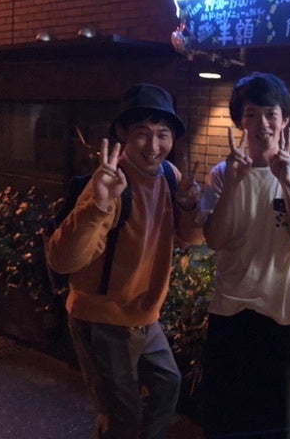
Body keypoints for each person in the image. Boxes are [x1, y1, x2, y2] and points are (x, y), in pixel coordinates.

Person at [46, 83, 202, 439]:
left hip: (143, 317)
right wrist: (99, 204)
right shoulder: (110, 182)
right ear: (122, 135)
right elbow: (62, 259)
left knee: (167, 385)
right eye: (142, 133)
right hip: (102, 318)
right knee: (122, 418)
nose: (153, 145)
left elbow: (191, 238)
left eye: (162, 134)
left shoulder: (169, 175)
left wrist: (189, 205)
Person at [196, 72, 290, 439]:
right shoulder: (221, 174)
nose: (262, 124)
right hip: (230, 311)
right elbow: (216, 240)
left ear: (285, 120)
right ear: (240, 121)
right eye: (251, 114)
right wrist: (234, 183)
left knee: (283, 424)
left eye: (271, 114)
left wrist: (287, 185)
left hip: (283, 314)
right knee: (228, 421)